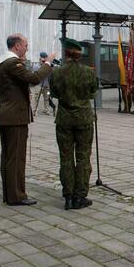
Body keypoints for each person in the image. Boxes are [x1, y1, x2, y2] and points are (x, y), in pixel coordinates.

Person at [0, 34, 54, 206]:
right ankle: (17, 196)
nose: (27, 48)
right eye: (26, 45)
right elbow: (34, 78)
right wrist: (48, 63)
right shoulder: (13, 63)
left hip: (6, 113)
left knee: (7, 156)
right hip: (15, 117)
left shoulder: (0, 62)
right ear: (17, 46)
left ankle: (9, 194)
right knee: (16, 158)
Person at [50, 38, 98, 210]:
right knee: (83, 158)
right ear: (79, 55)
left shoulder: (57, 72)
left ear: (66, 54)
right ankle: (80, 196)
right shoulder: (88, 72)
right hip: (84, 118)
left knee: (66, 158)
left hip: (64, 119)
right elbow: (93, 92)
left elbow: (54, 93)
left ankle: (68, 196)